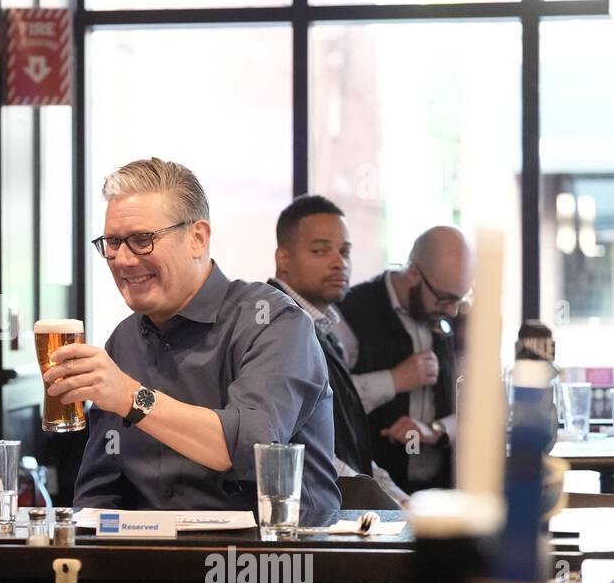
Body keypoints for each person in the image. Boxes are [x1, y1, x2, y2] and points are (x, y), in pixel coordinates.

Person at [63, 158, 341, 515]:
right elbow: (99, 494)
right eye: (114, 242)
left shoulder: (273, 321)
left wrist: (130, 396)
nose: (123, 260)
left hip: (268, 547)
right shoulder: (124, 340)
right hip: (147, 549)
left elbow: (252, 447)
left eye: (142, 240)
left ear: (198, 238)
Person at [269, 194, 409, 507]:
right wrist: (390, 508)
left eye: (344, 251)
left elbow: (350, 450)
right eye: (320, 251)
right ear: (283, 259)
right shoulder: (274, 325)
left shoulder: (323, 329)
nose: (339, 262)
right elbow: (309, 452)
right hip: (310, 518)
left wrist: (401, 502)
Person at [335, 226, 472, 493]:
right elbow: (331, 403)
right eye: (444, 299)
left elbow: (482, 405)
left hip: (442, 494)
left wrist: (437, 430)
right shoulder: (349, 312)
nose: (452, 311)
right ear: (413, 273)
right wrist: (394, 380)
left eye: (460, 298)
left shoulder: (462, 320)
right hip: (370, 496)